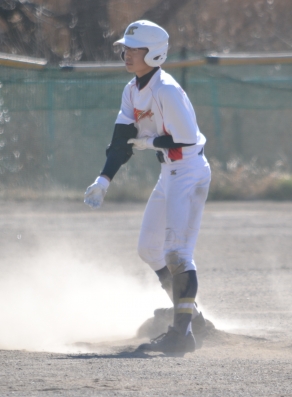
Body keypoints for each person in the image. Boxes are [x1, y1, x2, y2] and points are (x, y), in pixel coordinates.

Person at [83, 20, 211, 355]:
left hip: (189, 171)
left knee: (177, 254)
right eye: (126, 48)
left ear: (154, 53)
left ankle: (182, 334)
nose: (127, 54)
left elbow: (186, 138)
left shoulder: (167, 90)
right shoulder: (132, 89)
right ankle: (192, 317)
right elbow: (121, 141)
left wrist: (149, 142)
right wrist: (103, 180)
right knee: (149, 250)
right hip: (169, 172)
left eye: (135, 49)